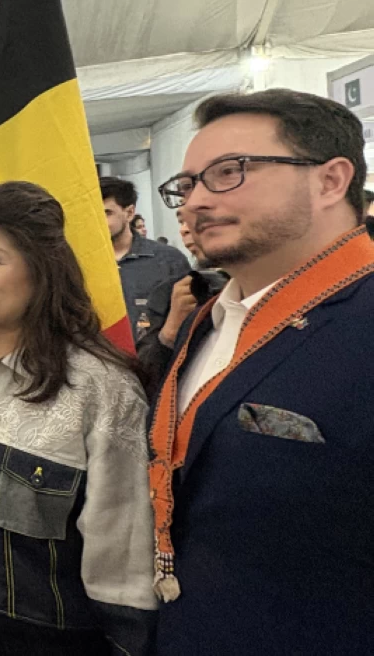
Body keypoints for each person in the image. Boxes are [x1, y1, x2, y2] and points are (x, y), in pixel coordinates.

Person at [150, 89, 374, 655]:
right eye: (187, 185)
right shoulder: (207, 320)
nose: (195, 202)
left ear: (330, 181)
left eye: (229, 172)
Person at [0, 182, 157, 656]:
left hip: (56, 637)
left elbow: (122, 545)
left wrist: (128, 642)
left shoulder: (98, 386)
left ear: (42, 271)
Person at [135, 212, 228, 400]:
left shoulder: (262, 287)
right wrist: (170, 332)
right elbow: (145, 379)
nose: (184, 229)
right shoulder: (167, 293)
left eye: (199, 216)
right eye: (181, 221)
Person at [101, 176, 191, 338]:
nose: (98, 222)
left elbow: (189, 320)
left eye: (106, 213)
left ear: (129, 213)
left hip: (157, 351)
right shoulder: (80, 263)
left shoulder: (168, 260)